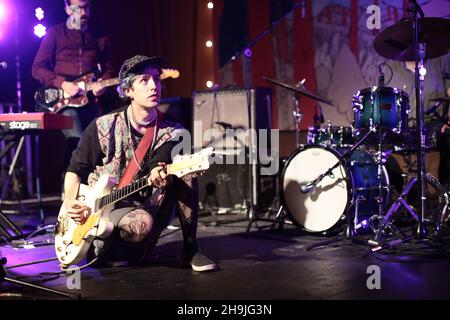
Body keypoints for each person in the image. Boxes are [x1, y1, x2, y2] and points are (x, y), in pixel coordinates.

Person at [62, 55, 219, 272]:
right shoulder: (102, 126)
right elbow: (75, 170)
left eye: (156, 79)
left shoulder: (174, 130)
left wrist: (158, 171)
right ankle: (108, 249)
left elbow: (162, 155)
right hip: (100, 211)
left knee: (185, 174)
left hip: (148, 205)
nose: (154, 85)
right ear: (128, 91)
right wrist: (70, 202)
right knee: (139, 227)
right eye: (144, 80)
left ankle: (190, 249)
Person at [31, 0, 115, 167]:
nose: (83, 13)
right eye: (78, 8)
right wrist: (62, 83)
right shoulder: (55, 33)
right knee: (76, 140)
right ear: (68, 9)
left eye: (87, 8)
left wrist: (102, 84)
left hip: (90, 100)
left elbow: (109, 69)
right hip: (64, 101)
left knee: (100, 143)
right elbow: (37, 68)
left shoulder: (99, 36)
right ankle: (68, 187)